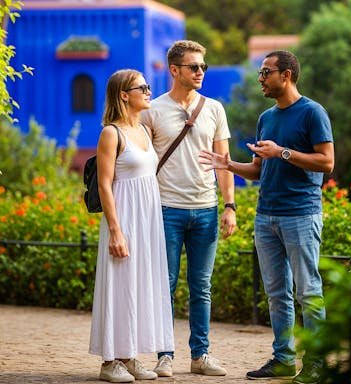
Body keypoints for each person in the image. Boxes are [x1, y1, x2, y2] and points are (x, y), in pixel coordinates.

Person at [199, 50, 334, 384]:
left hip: (301, 214)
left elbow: (327, 162)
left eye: (265, 72)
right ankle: (284, 359)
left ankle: (316, 362)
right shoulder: (266, 118)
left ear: (285, 75)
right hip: (266, 216)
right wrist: (228, 165)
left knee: (308, 291)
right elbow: (259, 169)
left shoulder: (312, 112)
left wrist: (283, 152)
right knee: (277, 294)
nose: (260, 78)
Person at [140, 40, 236, 377]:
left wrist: (229, 206)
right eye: (193, 67)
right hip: (166, 209)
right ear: (175, 70)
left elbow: (223, 163)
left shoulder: (214, 109)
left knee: (202, 286)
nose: (200, 72)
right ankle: (165, 355)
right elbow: (140, 162)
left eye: (203, 67)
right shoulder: (151, 110)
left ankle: (201, 355)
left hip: (207, 209)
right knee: (164, 285)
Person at [89, 69, 174, 383]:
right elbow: (105, 185)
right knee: (120, 284)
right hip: (124, 216)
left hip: (147, 219)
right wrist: (115, 230)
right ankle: (110, 361)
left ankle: (129, 355)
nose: (149, 91)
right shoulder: (111, 133)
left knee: (139, 285)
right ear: (124, 94)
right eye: (143, 87)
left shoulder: (143, 130)